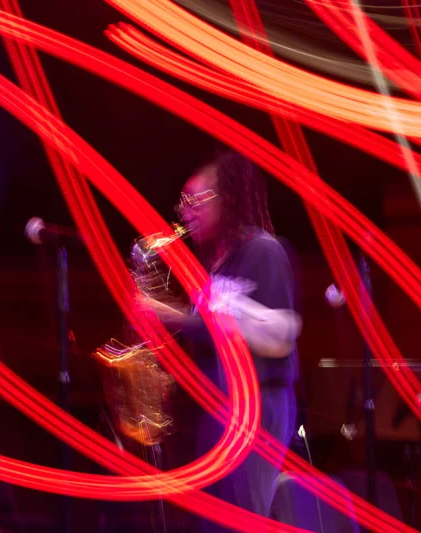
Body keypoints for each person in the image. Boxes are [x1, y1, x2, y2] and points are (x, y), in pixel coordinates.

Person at [143, 151, 300, 529]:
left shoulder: (263, 251)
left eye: (197, 200)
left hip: (257, 411)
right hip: (221, 413)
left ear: (227, 199)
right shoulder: (216, 267)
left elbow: (280, 335)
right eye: (184, 203)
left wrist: (174, 316)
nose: (186, 212)